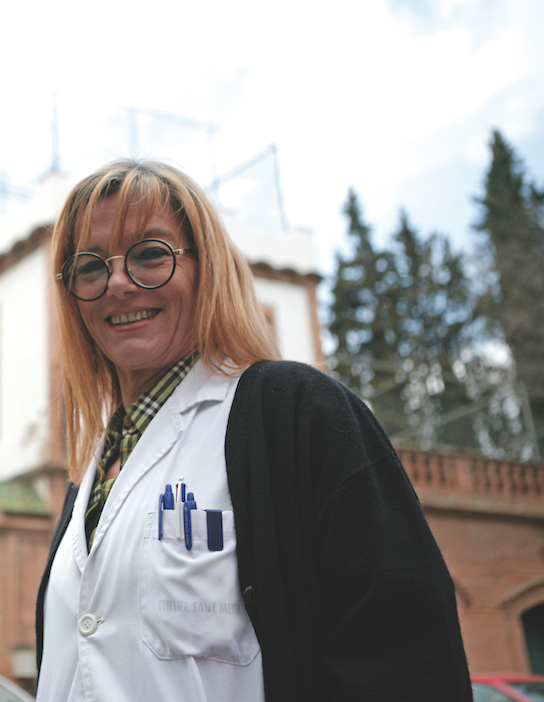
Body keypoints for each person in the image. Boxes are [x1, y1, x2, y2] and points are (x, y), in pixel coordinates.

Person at [34, 160, 471, 701]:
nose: (118, 283)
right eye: (90, 267)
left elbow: (406, 660)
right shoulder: (90, 474)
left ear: (206, 267)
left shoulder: (293, 412)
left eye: (150, 254)